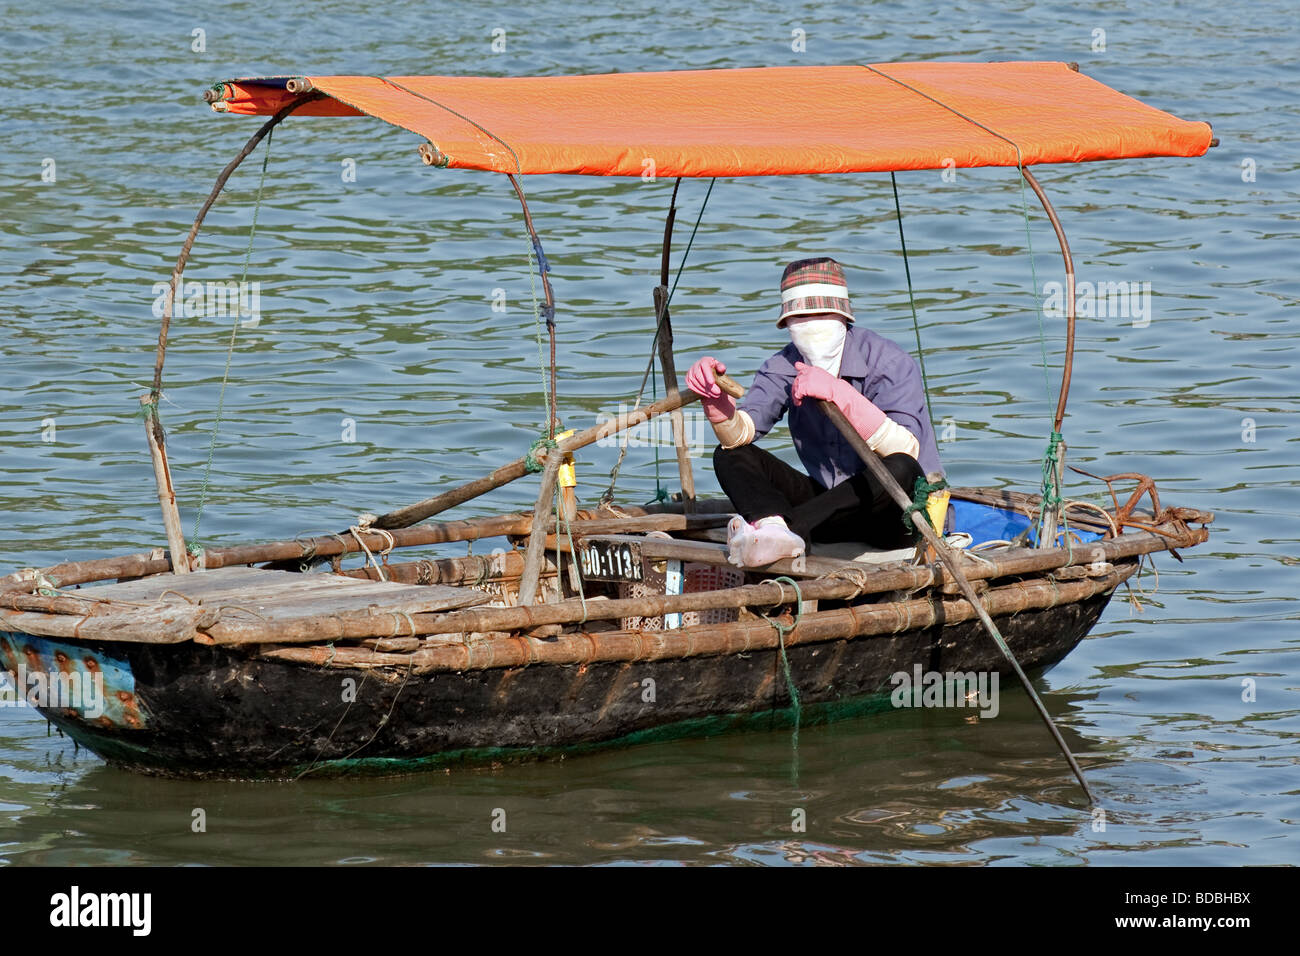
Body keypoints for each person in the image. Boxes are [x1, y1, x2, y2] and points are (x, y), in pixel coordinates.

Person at [686, 257, 945, 567]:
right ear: (786, 324)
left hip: (897, 516)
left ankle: (787, 528)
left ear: (844, 316)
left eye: (822, 313)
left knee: (901, 466)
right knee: (730, 454)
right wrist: (716, 405)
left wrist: (841, 394)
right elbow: (742, 432)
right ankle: (774, 529)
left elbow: (907, 450)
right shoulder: (783, 366)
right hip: (830, 508)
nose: (811, 325)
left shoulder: (889, 363)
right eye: (800, 317)